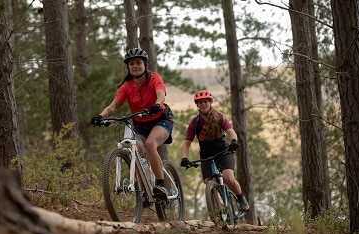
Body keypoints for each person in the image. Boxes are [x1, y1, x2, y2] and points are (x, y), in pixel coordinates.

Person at [91, 47, 174, 202]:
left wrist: (157, 104)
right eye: (131, 64)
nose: (135, 66)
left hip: (161, 119)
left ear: (145, 65)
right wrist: (101, 116)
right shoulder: (126, 86)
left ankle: (161, 184)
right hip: (141, 124)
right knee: (136, 151)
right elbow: (114, 105)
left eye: (138, 63)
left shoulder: (154, 78)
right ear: (128, 67)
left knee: (150, 144)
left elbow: (160, 94)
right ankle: (146, 188)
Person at [180, 90, 249, 211]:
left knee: (228, 178)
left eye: (205, 101)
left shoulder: (220, 117)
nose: (203, 104)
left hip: (223, 152)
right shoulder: (195, 123)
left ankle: (240, 198)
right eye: (200, 102)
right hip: (206, 154)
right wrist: (184, 158)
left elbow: (231, 131)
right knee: (208, 182)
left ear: (210, 102)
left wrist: (233, 141)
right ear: (197, 105)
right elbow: (186, 143)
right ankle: (220, 210)